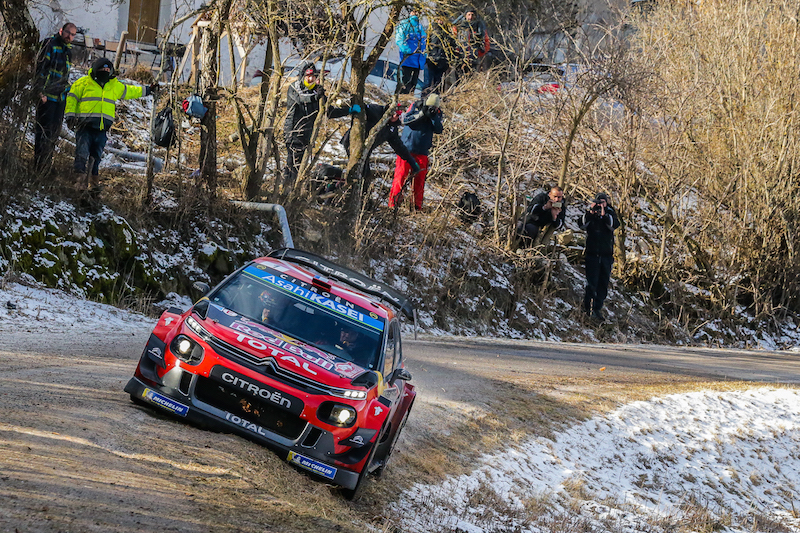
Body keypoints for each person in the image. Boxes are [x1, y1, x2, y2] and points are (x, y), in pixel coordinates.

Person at [64, 57, 157, 195]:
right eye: (103, 69)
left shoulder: (114, 86)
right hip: (85, 127)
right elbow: (72, 99)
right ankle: (79, 183)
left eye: (108, 70)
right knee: (82, 154)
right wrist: (70, 116)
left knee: (96, 157)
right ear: (96, 69)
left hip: (102, 129)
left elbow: (131, 91)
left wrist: (148, 90)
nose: (105, 72)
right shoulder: (82, 83)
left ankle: (93, 186)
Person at [283, 63, 359, 189]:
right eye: (308, 76)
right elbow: (302, 99)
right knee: (292, 165)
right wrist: (316, 96)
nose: (310, 79)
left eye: (313, 76)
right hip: (293, 133)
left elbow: (328, 112)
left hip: (307, 135)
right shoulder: (294, 87)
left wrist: (348, 110)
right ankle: (286, 191)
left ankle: (295, 191)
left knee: (301, 166)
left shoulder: (317, 92)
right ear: (302, 76)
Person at [33, 22, 77, 176]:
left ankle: (46, 166)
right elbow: (41, 69)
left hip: (60, 98)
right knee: (43, 133)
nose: (69, 36)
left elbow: (65, 75)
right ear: (61, 30)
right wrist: (40, 92)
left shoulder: (67, 51)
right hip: (47, 98)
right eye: (67, 33)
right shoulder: (49, 44)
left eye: (72, 34)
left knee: (53, 134)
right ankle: (39, 167)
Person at [388, 93, 444, 211]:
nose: (432, 109)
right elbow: (406, 120)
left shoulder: (438, 113)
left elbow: (439, 129)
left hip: (422, 151)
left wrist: (433, 117)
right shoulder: (415, 106)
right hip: (406, 149)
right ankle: (393, 203)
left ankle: (416, 206)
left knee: (420, 180)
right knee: (400, 176)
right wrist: (422, 113)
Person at [340, 102, 420, 183]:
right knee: (360, 172)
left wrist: (410, 160)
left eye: (397, 115)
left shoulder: (392, 129)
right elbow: (363, 107)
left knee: (365, 176)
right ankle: (348, 187)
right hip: (352, 142)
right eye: (393, 113)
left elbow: (398, 146)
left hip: (366, 150)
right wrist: (351, 107)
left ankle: (356, 189)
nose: (394, 116)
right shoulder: (376, 110)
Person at [580, 192, 621, 321]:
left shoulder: (610, 213)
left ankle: (597, 308)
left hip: (606, 254)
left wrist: (604, 214)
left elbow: (613, 225)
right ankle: (588, 308)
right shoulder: (590, 214)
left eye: (602, 202)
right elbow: (581, 224)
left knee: (603, 283)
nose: (600, 205)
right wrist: (591, 212)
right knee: (592, 282)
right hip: (592, 254)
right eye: (598, 202)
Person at [422, 14, 459, 95]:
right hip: (430, 62)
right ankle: (423, 101)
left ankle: (434, 102)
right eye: (439, 19)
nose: (440, 22)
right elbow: (424, 45)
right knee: (427, 84)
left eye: (442, 20)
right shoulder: (430, 32)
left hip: (441, 63)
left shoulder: (447, 34)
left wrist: (447, 61)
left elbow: (452, 48)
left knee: (437, 85)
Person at [395, 8, 426, 95]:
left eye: (418, 11)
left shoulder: (420, 27)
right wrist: (406, 50)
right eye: (414, 11)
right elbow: (399, 39)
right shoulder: (405, 24)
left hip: (418, 61)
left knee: (413, 85)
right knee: (405, 84)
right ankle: (401, 101)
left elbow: (424, 43)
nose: (416, 13)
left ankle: (408, 101)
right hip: (408, 59)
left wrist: (424, 55)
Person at [453, 7, 490, 74]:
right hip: (461, 57)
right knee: (459, 77)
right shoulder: (459, 27)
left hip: (474, 58)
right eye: (469, 14)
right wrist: (456, 52)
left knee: (472, 77)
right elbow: (453, 40)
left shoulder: (479, 27)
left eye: (472, 15)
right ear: (465, 16)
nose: (470, 17)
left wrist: (480, 52)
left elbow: (485, 42)